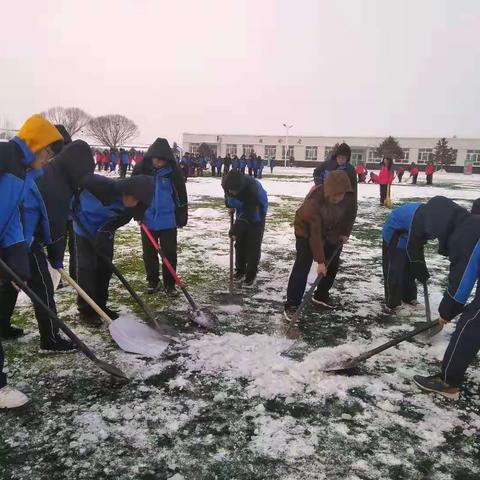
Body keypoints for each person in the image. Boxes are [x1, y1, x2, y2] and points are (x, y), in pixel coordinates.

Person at [1, 140, 95, 352]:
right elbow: (54, 226)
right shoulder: (56, 184)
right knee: (42, 288)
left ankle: (2, 326)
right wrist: (56, 256)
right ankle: (50, 339)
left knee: (10, 282)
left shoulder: (53, 172)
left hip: (14, 237)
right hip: (25, 240)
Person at [0, 114, 63, 409]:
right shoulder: (6, 159)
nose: (48, 160)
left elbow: (11, 218)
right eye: (48, 152)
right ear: (36, 145)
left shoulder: (24, 173)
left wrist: (16, 260)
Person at [411, 199, 480, 399]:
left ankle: (447, 382)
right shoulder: (470, 224)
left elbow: (462, 282)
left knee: (471, 323)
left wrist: (446, 312)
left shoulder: (466, 233)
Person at [73, 174, 154, 325]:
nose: (133, 202)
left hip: (103, 233)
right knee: (87, 268)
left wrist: (101, 236)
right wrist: (73, 203)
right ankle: (86, 310)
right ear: (126, 191)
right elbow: (76, 182)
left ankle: (100, 305)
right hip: (83, 228)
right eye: (132, 197)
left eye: (137, 201)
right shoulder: (102, 186)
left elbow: (112, 224)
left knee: (105, 267)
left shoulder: (129, 212)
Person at [284, 172, 356, 318]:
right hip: (306, 230)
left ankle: (321, 295)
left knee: (333, 263)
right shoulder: (314, 202)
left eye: (339, 195)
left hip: (331, 229)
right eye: (333, 195)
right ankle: (292, 304)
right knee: (302, 263)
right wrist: (320, 261)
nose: (336, 199)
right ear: (327, 191)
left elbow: (350, 213)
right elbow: (314, 235)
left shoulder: (349, 197)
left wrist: (345, 232)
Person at [140, 138, 188, 295]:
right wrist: (137, 213)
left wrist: (181, 215)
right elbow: (134, 194)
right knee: (149, 254)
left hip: (168, 221)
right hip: (148, 220)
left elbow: (181, 196)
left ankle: (170, 284)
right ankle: (153, 282)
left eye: (161, 160)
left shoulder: (173, 174)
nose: (158, 162)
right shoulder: (142, 171)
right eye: (156, 159)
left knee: (169, 254)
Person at [222, 170, 268, 286]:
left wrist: (235, 229)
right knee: (240, 243)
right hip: (243, 210)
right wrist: (230, 205)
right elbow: (228, 197)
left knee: (253, 245)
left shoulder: (252, 189)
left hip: (256, 213)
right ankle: (240, 271)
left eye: (233, 190)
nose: (230, 192)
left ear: (240, 188)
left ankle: (250, 275)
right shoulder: (227, 184)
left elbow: (249, 214)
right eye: (229, 190)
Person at [382, 202, 423, 315]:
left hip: (411, 235)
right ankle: (393, 304)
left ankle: (408, 297)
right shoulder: (419, 220)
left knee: (411, 266)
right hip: (395, 234)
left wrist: (420, 264)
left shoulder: (435, 221)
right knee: (394, 268)